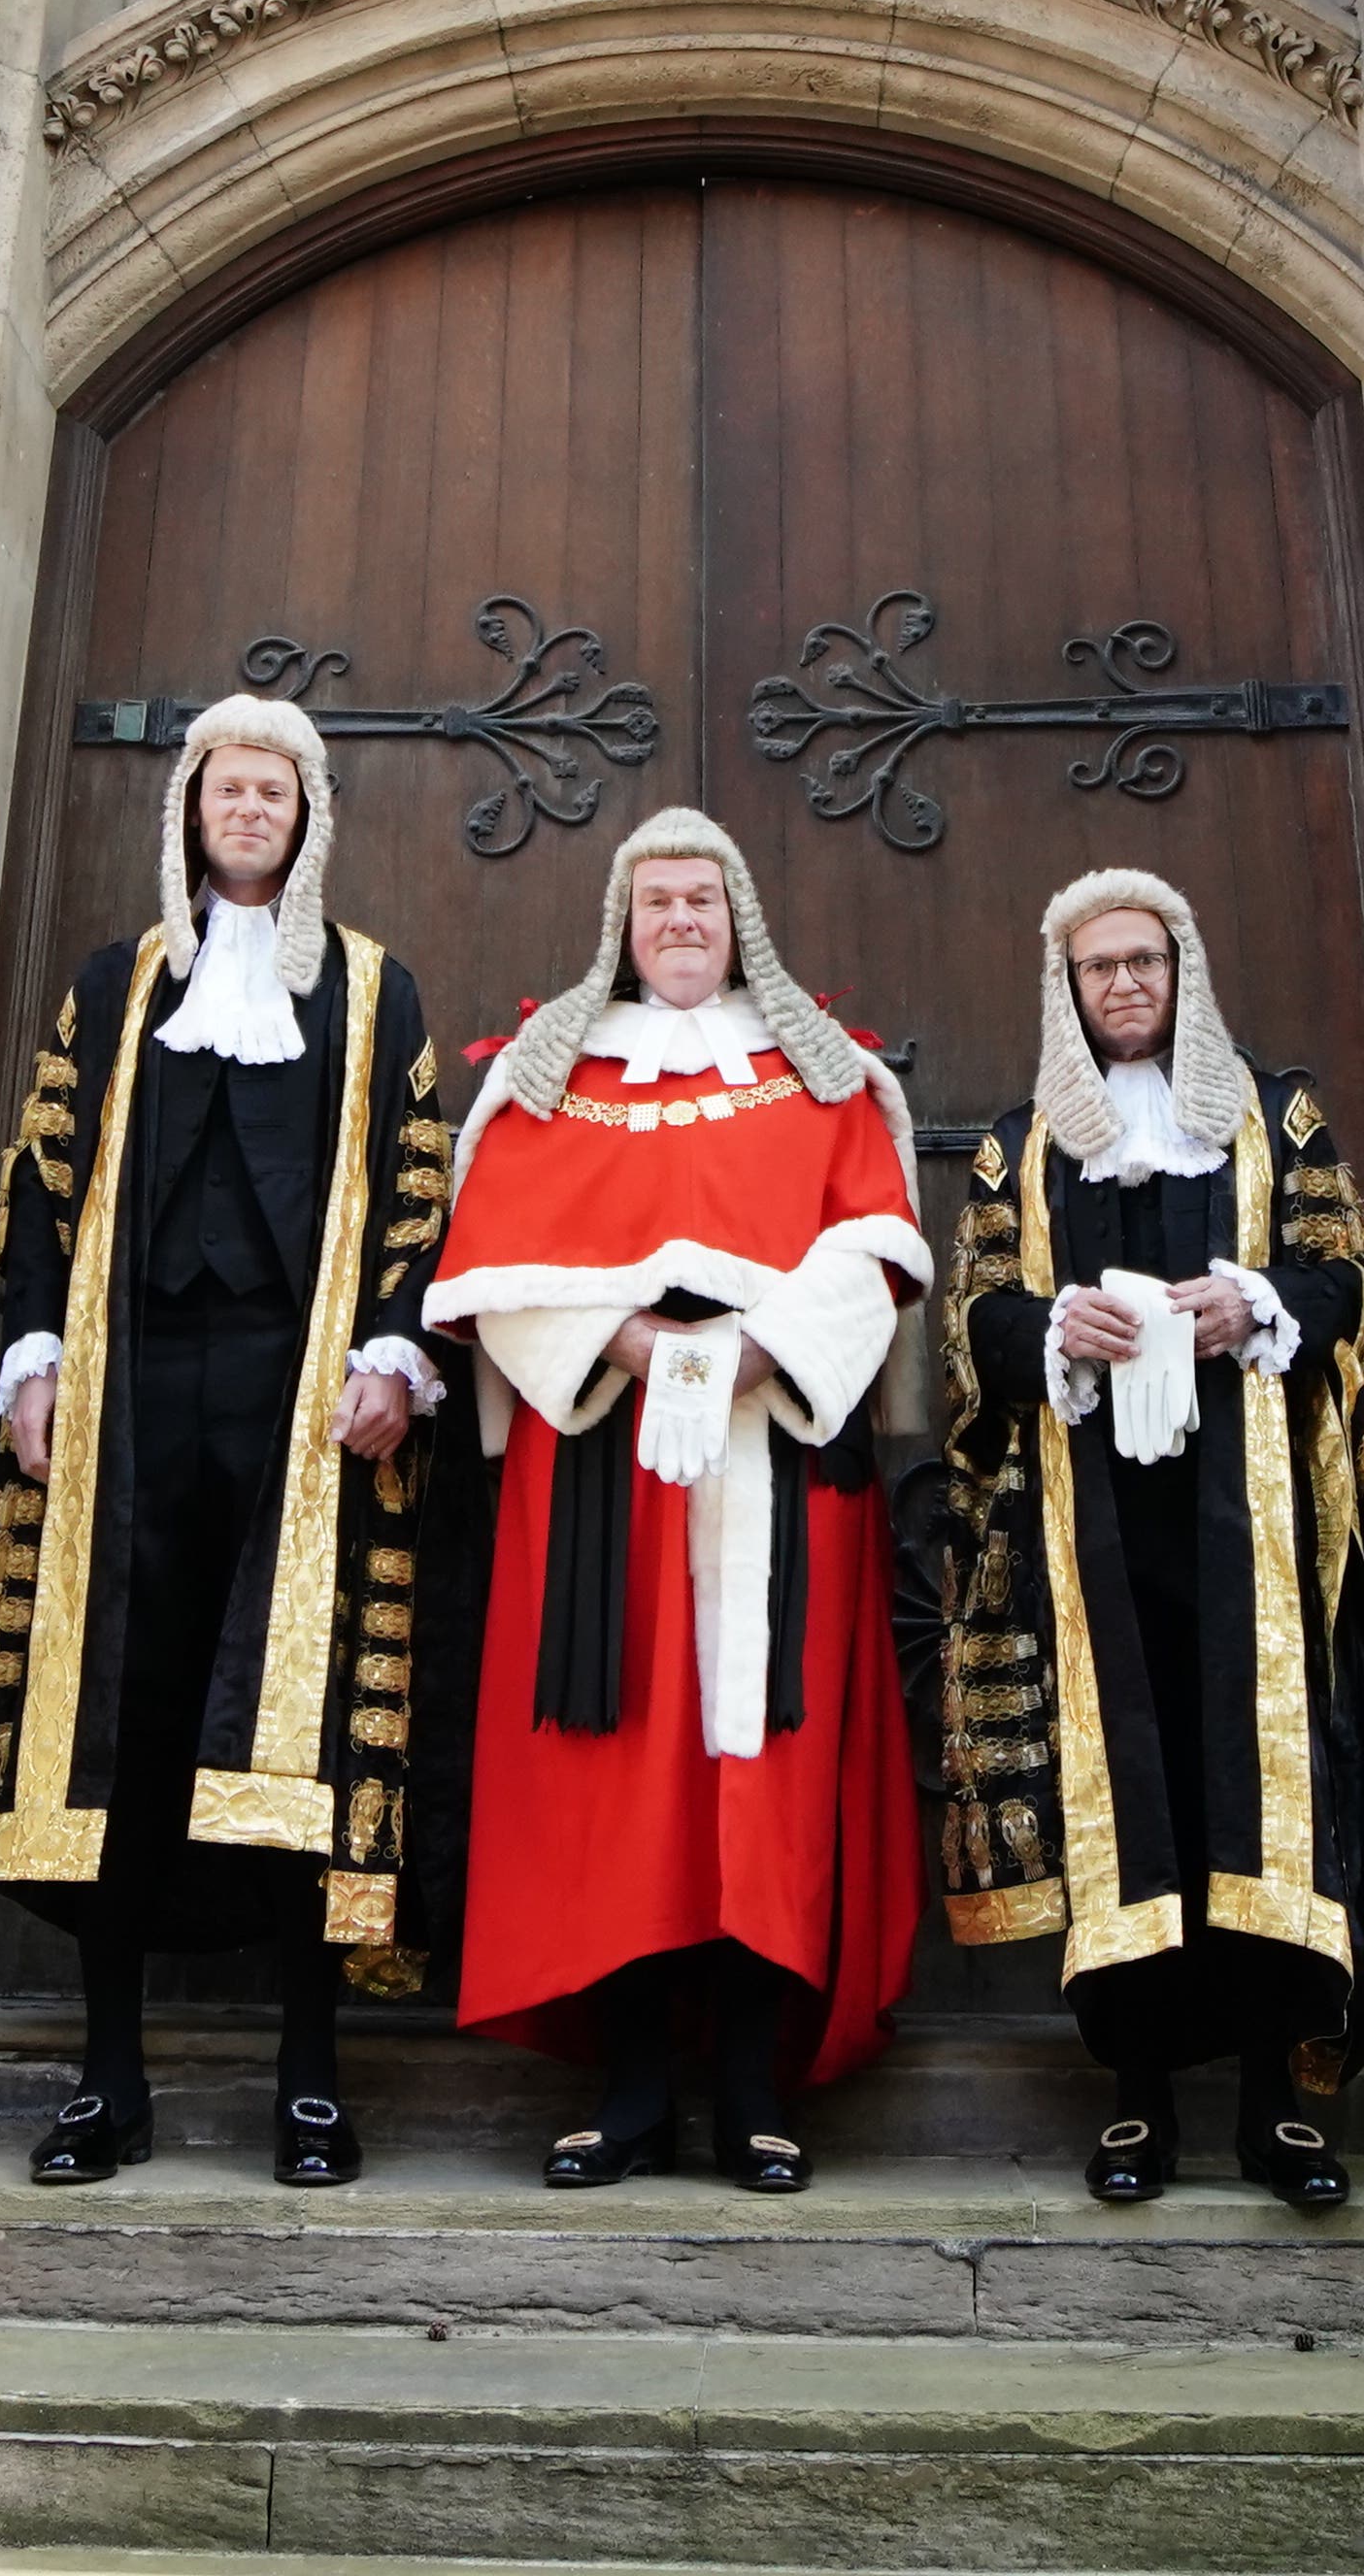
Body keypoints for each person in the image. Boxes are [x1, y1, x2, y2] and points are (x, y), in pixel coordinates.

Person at [0, 694, 452, 2188]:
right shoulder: (112, 986)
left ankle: (310, 2078)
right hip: (125, 1397)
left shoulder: (375, 993)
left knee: (292, 1719)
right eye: (226, 790)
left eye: (274, 793)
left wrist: (396, 1350)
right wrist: (34, 1357)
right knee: (132, 1714)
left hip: (302, 1407)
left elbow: (419, 1187)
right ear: (188, 809)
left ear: (308, 819)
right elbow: (41, 1181)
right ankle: (107, 2078)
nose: (249, 812)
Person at [426, 808, 928, 2192]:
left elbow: (878, 1243)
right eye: (658, 905)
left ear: (740, 913)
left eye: (704, 899)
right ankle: (633, 2092)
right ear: (623, 925)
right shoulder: (551, 1081)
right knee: (620, 1783)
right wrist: (636, 1345)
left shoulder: (819, 1076)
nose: (683, 922)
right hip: (606, 1471)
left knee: (760, 1779)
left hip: (776, 1448)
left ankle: (754, 2094)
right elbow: (490, 1272)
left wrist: (759, 1351)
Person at [929, 869, 1364, 2211]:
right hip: (1093, 1535)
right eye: (1099, 969)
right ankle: (1138, 2098)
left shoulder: (1277, 1117)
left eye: (1145, 960)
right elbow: (972, 1313)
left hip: (1251, 1526)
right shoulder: (1020, 1144)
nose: (1126, 985)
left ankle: (1277, 2107)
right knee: (1127, 1791)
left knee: (1260, 1791)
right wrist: (1048, 1332)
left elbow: (1348, 1279)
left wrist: (1256, 1303)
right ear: (1068, 987)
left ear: (1181, 967)